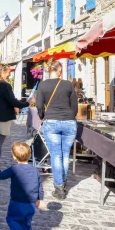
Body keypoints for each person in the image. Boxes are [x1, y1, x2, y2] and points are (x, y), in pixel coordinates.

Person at [0, 142, 43, 230]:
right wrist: (39, 199)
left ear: (14, 156)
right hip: (31, 204)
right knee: (26, 223)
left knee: (12, 219)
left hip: (17, 202)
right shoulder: (34, 170)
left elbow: (1, 175)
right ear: (29, 154)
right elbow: (39, 185)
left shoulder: (14, 169)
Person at [36, 60, 78, 200]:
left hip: (52, 121)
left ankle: (59, 187)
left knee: (56, 155)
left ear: (49, 70)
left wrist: (42, 116)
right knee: (65, 155)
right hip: (69, 122)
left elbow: (39, 105)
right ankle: (62, 183)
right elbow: (74, 106)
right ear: (59, 69)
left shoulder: (43, 85)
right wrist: (70, 116)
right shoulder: (67, 84)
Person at [0, 64, 29, 171]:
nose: (9, 75)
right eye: (8, 73)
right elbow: (12, 101)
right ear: (3, 72)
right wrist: (27, 103)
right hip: (2, 116)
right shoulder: (4, 85)